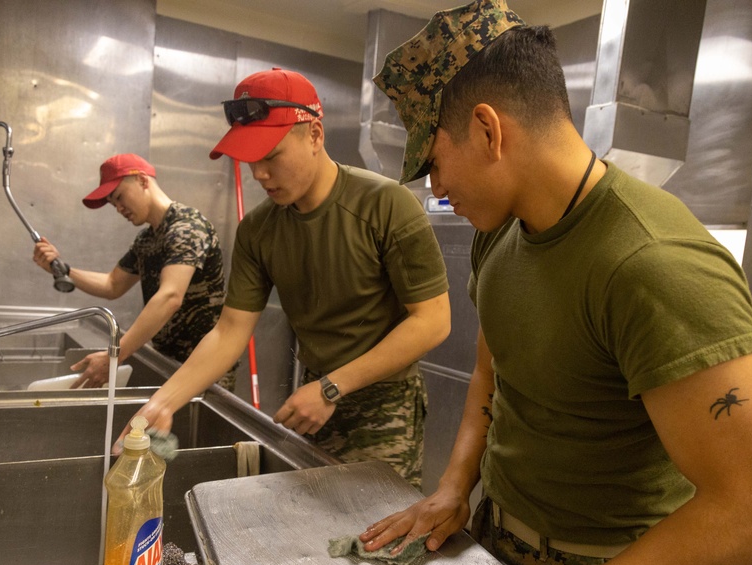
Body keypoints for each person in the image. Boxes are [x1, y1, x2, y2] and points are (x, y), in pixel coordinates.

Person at [359, 1, 752, 565]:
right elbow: (492, 370)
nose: (437, 186)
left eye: (433, 161)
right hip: (497, 553)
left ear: (487, 130)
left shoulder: (654, 264)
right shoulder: (500, 233)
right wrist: (454, 484)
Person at [124, 68, 451, 487]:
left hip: (383, 403)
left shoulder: (387, 205)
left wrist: (333, 388)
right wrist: (164, 401)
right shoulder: (258, 230)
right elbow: (229, 332)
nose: (258, 174)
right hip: (312, 397)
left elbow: (433, 320)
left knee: (375, 528)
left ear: (315, 135)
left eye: (271, 156)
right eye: (250, 159)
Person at [32, 153, 230, 394]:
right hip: (170, 362)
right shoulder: (147, 239)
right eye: (113, 204)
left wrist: (114, 355)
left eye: (119, 197)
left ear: (142, 180)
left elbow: (170, 296)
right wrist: (62, 269)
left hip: (206, 366)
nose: (119, 208)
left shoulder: (186, 227)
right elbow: (112, 284)